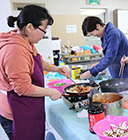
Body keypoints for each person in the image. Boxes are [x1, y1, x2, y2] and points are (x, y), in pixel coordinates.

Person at [0, 5, 70, 140]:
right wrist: (51, 92)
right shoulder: (15, 50)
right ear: (30, 27)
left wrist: (55, 68)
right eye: (43, 30)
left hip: (28, 105)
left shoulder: (25, 41)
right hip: (16, 109)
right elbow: (22, 88)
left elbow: (39, 61)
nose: (44, 35)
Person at [80, 16, 128, 82]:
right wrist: (99, 63)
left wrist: (92, 72)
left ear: (98, 26)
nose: (94, 36)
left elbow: (110, 57)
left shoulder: (113, 33)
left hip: (127, 72)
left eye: (92, 33)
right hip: (117, 71)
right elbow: (108, 54)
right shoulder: (104, 36)